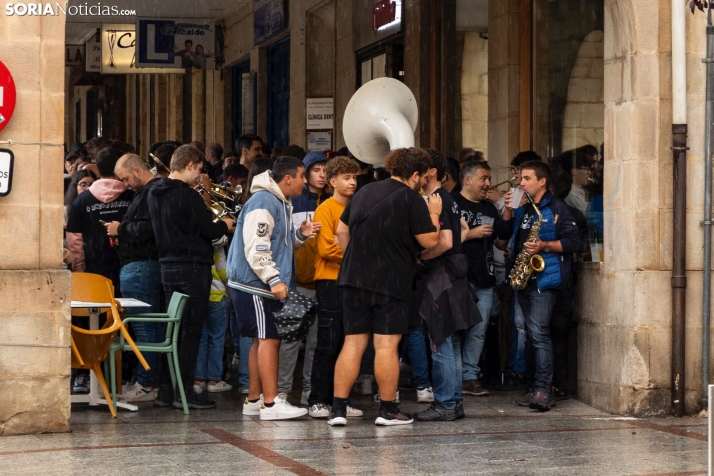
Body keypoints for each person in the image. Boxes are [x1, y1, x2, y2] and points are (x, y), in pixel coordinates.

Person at [329, 147, 442, 427]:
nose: (423, 181)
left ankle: (338, 410)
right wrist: (435, 214)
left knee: (353, 343)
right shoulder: (412, 199)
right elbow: (429, 241)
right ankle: (389, 410)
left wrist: (357, 258)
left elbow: (342, 231)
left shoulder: (365, 191)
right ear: (414, 175)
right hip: (391, 282)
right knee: (386, 345)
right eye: (422, 176)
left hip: (353, 278)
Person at [226, 156, 321, 420]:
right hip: (256, 285)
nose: (305, 181)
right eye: (303, 175)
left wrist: (300, 235)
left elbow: (277, 241)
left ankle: (255, 400)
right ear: (288, 178)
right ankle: (271, 403)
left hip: (254, 284)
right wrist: (274, 280)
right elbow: (257, 246)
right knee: (269, 339)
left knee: (261, 340)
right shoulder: (265, 201)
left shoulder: (277, 201)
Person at [148, 145, 235, 410]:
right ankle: (184, 391)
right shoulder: (188, 196)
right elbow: (209, 230)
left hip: (167, 267)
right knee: (190, 332)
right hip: (193, 268)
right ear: (189, 165)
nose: (199, 176)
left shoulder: (154, 192)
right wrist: (226, 225)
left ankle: (165, 390)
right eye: (198, 169)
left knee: (170, 330)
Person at [412, 149, 482, 421]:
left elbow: (446, 241)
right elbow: (463, 230)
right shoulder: (449, 199)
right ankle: (453, 402)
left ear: (430, 172)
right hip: (453, 276)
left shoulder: (436, 200)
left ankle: (444, 404)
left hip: (440, 277)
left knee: (439, 341)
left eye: (420, 169)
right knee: (449, 342)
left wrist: (419, 257)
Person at [507, 160, 580, 411]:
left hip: (543, 281)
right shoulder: (525, 208)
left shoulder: (557, 208)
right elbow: (505, 234)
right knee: (529, 335)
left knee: (539, 335)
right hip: (523, 278)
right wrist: (508, 212)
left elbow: (573, 242)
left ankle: (542, 390)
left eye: (526, 178)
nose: (521, 182)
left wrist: (544, 246)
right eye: (521, 178)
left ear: (542, 181)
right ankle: (534, 386)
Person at [306, 156, 364, 419]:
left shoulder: (357, 207)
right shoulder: (326, 209)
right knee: (327, 341)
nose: (353, 182)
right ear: (332, 181)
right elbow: (326, 248)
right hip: (330, 281)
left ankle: (340, 398)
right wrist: (356, 253)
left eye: (354, 177)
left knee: (347, 342)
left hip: (352, 281)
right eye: (347, 178)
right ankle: (317, 399)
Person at [453, 161, 514, 397]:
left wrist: (507, 211)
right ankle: (453, 375)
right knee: (457, 329)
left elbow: (500, 240)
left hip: (485, 277)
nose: (488, 184)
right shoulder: (453, 204)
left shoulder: (489, 208)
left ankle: (469, 377)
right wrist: (471, 235)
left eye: (489, 179)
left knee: (479, 330)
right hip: (459, 276)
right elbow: (442, 241)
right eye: (484, 179)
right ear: (468, 180)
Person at [104, 154, 163, 402]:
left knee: (144, 327)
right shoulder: (146, 193)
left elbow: (150, 227)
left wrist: (121, 229)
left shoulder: (152, 193)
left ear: (137, 170)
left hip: (142, 268)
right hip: (138, 267)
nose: (125, 184)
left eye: (126, 178)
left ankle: (147, 383)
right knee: (143, 327)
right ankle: (147, 380)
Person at [278, 151, 330, 405]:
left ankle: (311, 392)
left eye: (325, 170)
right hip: (298, 281)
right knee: (291, 338)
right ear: (306, 173)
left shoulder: (332, 201)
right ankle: (282, 392)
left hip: (324, 281)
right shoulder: (294, 202)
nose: (322, 175)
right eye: (316, 170)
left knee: (317, 342)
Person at [66, 147, 134, 292]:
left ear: (98, 169)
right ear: (118, 168)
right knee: (124, 310)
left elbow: (74, 241)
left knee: (97, 311)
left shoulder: (81, 201)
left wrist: (79, 270)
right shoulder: (132, 197)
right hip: (128, 266)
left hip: (94, 266)